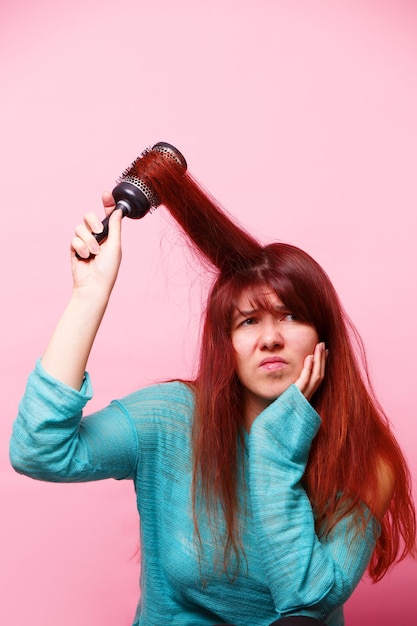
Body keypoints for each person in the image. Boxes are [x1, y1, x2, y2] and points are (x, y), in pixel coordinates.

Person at [10, 150, 416, 626]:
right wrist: (88, 295)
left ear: (323, 337)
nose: (270, 337)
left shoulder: (366, 461)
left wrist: (273, 450)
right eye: (249, 321)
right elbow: (37, 450)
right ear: (227, 342)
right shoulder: (172, 418)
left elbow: (307, 601)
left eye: (291, 315)